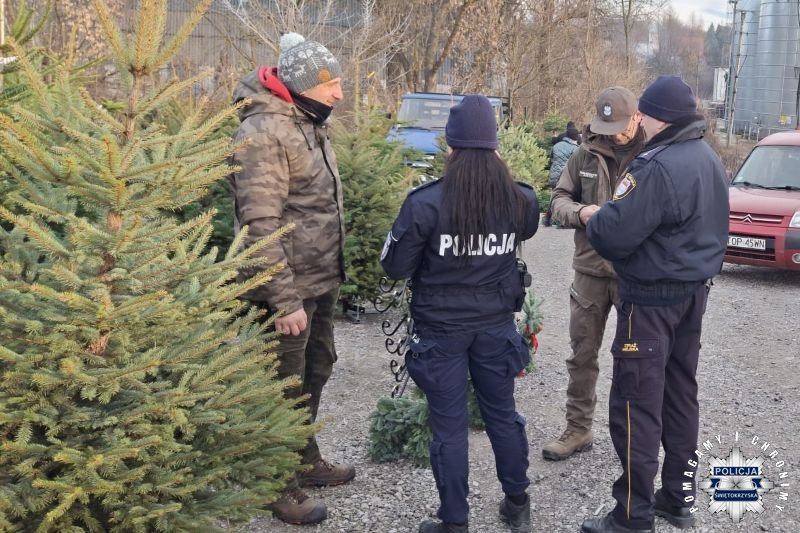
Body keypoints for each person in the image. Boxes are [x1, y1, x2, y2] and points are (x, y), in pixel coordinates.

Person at [380, 95, 540, 533]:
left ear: (449, 146)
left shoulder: (425, 203)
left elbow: (394, 266)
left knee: (449, 428)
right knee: (502, 415)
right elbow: (526, 229)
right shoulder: (520, 199)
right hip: (495, 327)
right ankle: (518, 504)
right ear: (494, 146)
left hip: (440, 332)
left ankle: (454, 521)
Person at [580, 76, 729, 533]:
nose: (639, 120)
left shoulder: (655, 166)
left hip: (649, 303)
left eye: (644, 113)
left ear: (660, 117)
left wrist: (596, 217)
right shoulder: (709, 159)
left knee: (635, 404)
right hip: (693, 296)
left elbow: (613, 234)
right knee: (680, 396)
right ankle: (677, 498)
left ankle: (632, 514)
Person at [227, 32, 355, 525]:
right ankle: (274, 482)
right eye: (332, 85)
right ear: (303, 86)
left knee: (317, 367)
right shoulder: (264, 133)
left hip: (318, 279)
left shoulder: (308, 121)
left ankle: (303, 457)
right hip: (285, 289)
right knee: (283, 384)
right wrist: (283, 300)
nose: (339, 93)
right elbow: (260, 225)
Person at [542, 87, 645, 461]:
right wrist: (581, 213)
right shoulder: (583, 153)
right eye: (606, 127)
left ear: (637, 117)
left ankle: (635, 437)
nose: (613, 135)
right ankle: (578, 428)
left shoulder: (653, 156)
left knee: (636, 358)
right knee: (582, 354)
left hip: (636, 274)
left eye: (619, 127)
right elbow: (557, 200)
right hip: (590, 269)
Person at [542, 124, 580, 227]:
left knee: (554, 196)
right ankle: (561, 220)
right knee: (565, 198)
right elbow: (575, 165)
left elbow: (551, 160)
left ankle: (548, 218)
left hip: (554, 174)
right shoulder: (575, 148)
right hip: (565, 176)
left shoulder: (556, 145)